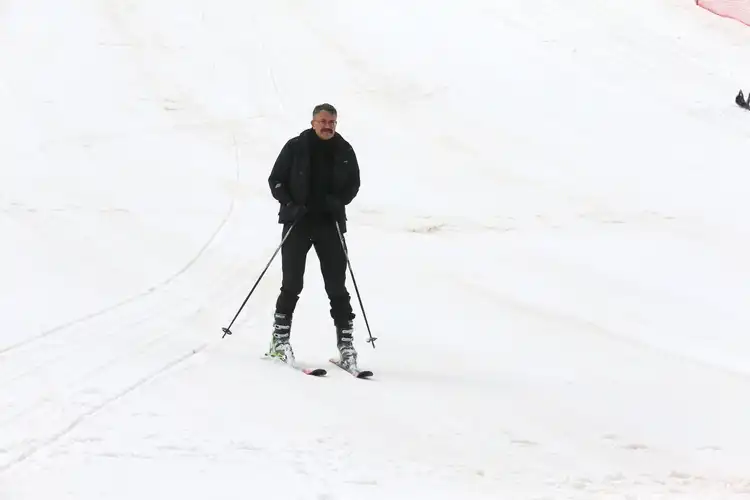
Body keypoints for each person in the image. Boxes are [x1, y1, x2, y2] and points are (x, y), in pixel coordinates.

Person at [266, 103, 361, 369]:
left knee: (337, 287)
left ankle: (346, 347)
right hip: (298, 223)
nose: (327, 126)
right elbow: (276, 180)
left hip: (329, 225)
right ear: (313, 122)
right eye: (323, 121)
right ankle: (279, 341)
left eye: (332, 122)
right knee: (292, 283)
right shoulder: (295, 146)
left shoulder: (345, 150)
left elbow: (354, 184)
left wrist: (338, 202)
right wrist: (290, 205)